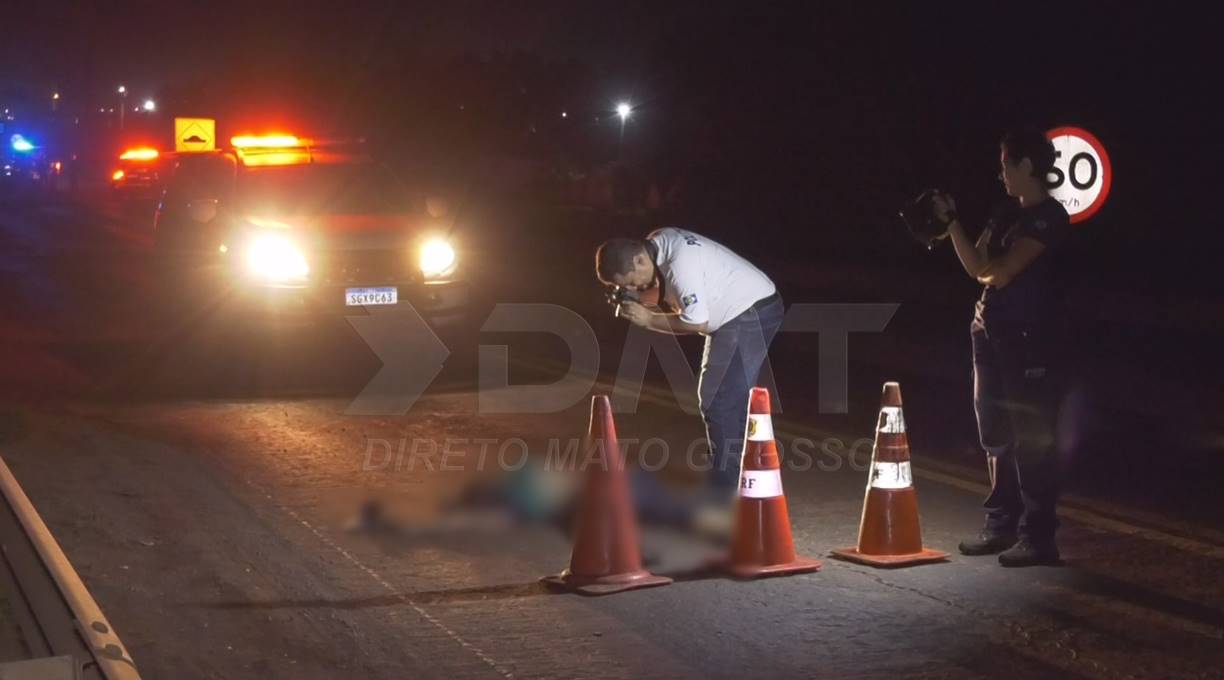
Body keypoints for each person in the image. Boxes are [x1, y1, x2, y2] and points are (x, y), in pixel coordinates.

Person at [933, 126, 1070, 567]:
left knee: (1032, 435)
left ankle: (1038, 535)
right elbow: (977, 267)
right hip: (988, 331)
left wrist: (987, 269)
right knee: (993, 430)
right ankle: (1000, 524)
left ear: (1027, 166)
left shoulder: (1049, 217)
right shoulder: (1003, 213)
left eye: (1007, 164)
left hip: (1030, 338)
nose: (1001, 174)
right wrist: (952, 223)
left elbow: (1002, 271)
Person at [595, 228, 783, 528]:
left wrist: (648, 318)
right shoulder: (657, 243)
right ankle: (733, 486)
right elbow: (665, 290)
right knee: (718, 398)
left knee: (720, 401)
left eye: (631, 281)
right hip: (740, 308)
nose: (635, 287)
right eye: (627, 286)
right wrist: (637, 297)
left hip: (750, 311)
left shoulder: (681, 264)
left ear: (641, 260)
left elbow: (697, 321)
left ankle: (727, 500)